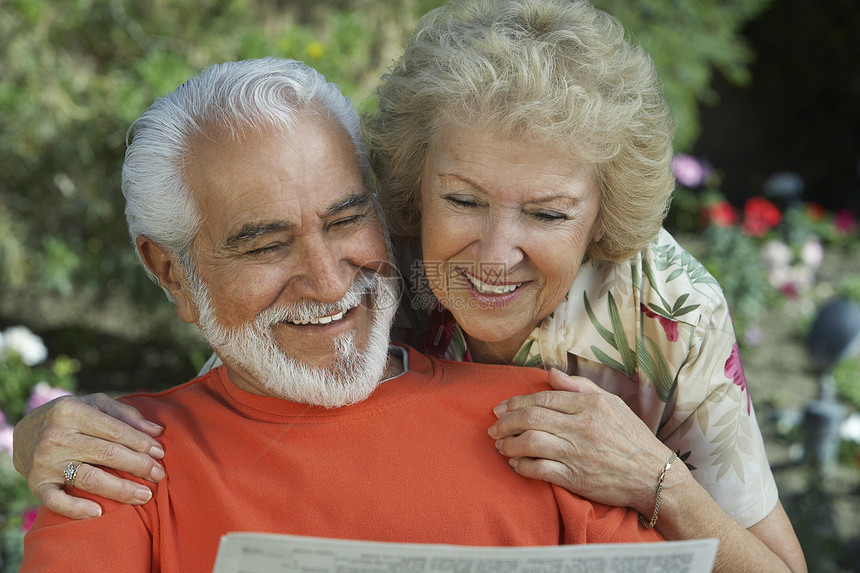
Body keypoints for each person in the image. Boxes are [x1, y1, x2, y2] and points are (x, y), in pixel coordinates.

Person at [14, 1, 805, 571]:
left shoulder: (613, 375)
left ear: (598, 220)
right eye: (462, 200)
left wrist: (654, 478)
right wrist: (37, 435)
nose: (329, 278)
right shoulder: (126, 467)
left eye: (549, 212)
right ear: (412, 192)